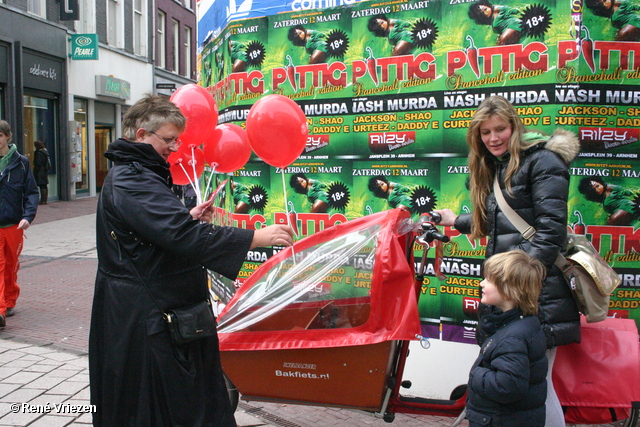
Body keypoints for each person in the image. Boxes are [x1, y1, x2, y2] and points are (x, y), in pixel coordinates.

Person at [88, 94, 294, 426]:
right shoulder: (133, 179)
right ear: (141, 134)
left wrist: (187, 214)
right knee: (167, 404)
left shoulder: (136, 173)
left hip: (148, 310)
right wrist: (255, 237)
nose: (175, 147)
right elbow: (180, 235)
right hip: (150, 317)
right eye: (169, 139)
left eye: (177, 139)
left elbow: (156, 229)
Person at [433, 95, 580, 427]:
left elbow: (549, 232)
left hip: (537, 294)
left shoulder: (542, 162)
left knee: (538, 392)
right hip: (511, 297)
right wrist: (454, 219)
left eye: (500, 129)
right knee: (523, 392)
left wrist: (517, 285)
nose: (494, 138)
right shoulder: (495, 166)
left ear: (515, 127)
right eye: (485, 132)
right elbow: (501, 224)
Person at [466, 250, 548, 426]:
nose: (481, 284)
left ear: (508, 291)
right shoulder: (525, 323)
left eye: (488, 280)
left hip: (500, 420)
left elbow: (507, 387)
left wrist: (476, 373)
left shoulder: (513, 337)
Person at [0, 120, 39, 327]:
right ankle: (0, 309)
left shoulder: (21, 162)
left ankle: (9, 299)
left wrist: (28, 216)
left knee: (10, 265)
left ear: (8, 136)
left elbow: (31, 192)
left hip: (13, 223)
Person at [33, 140, 50, 205]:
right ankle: (45, 200)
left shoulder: (38, 153)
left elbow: (38, 163)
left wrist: (36, 170)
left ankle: (43, 200)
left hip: (40, 171)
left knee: (42, 185)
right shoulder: (45, 152)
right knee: (44, 185)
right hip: (44, 170)